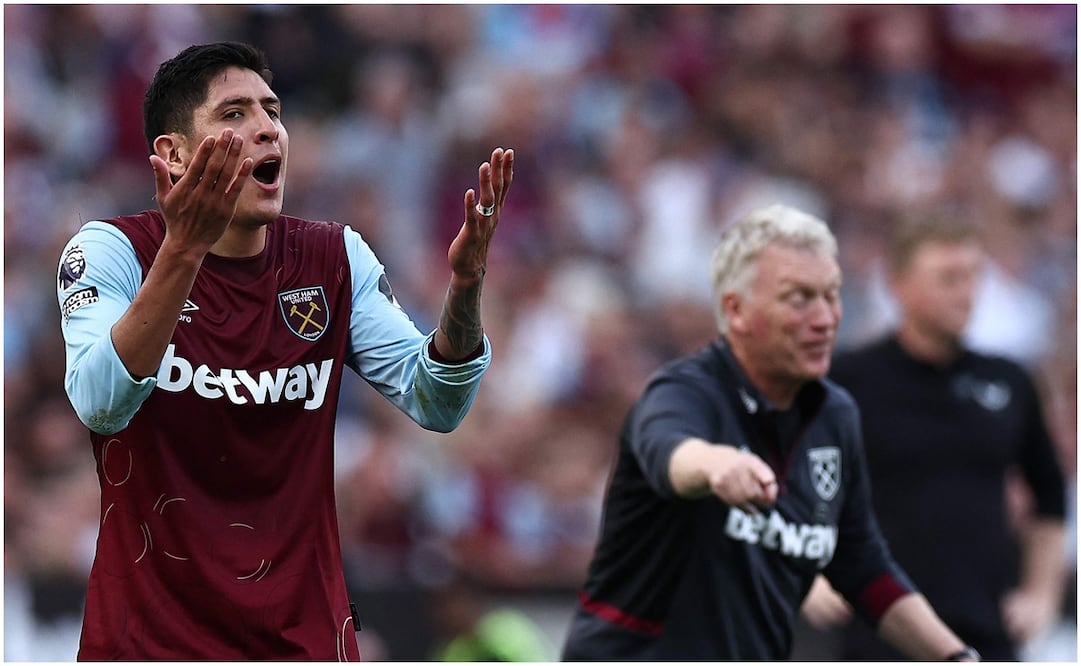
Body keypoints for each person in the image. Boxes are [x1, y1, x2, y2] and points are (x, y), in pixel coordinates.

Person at [54, 41, 513, 660]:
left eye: (272, 111)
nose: (268, 128)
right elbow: (99, 403)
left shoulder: (334, 259)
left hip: (303, 642)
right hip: (149, 644)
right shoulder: (111, 252)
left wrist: (466, 285)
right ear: (175, 153)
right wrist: (185, 249)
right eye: (234, 114)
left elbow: (438, 399)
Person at [560, 204, 979, 661]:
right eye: (799, 298)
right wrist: (718, 465)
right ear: (736, 310)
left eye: (831, 295)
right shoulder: (683, 392)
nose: (825, 318)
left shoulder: (834, 415)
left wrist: (958, 657)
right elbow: (671, 453)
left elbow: (861, 564)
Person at [807, 215, 1067, 660]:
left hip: (986, 629)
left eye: (973, 276)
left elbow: (1050, 494)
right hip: (877, 631)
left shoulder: (1008, 381)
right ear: (898, 284)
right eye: (948, 278)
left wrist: (1042, 594)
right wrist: (808, 576)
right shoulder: (847, 381)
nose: (966, 292)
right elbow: (789, 478)